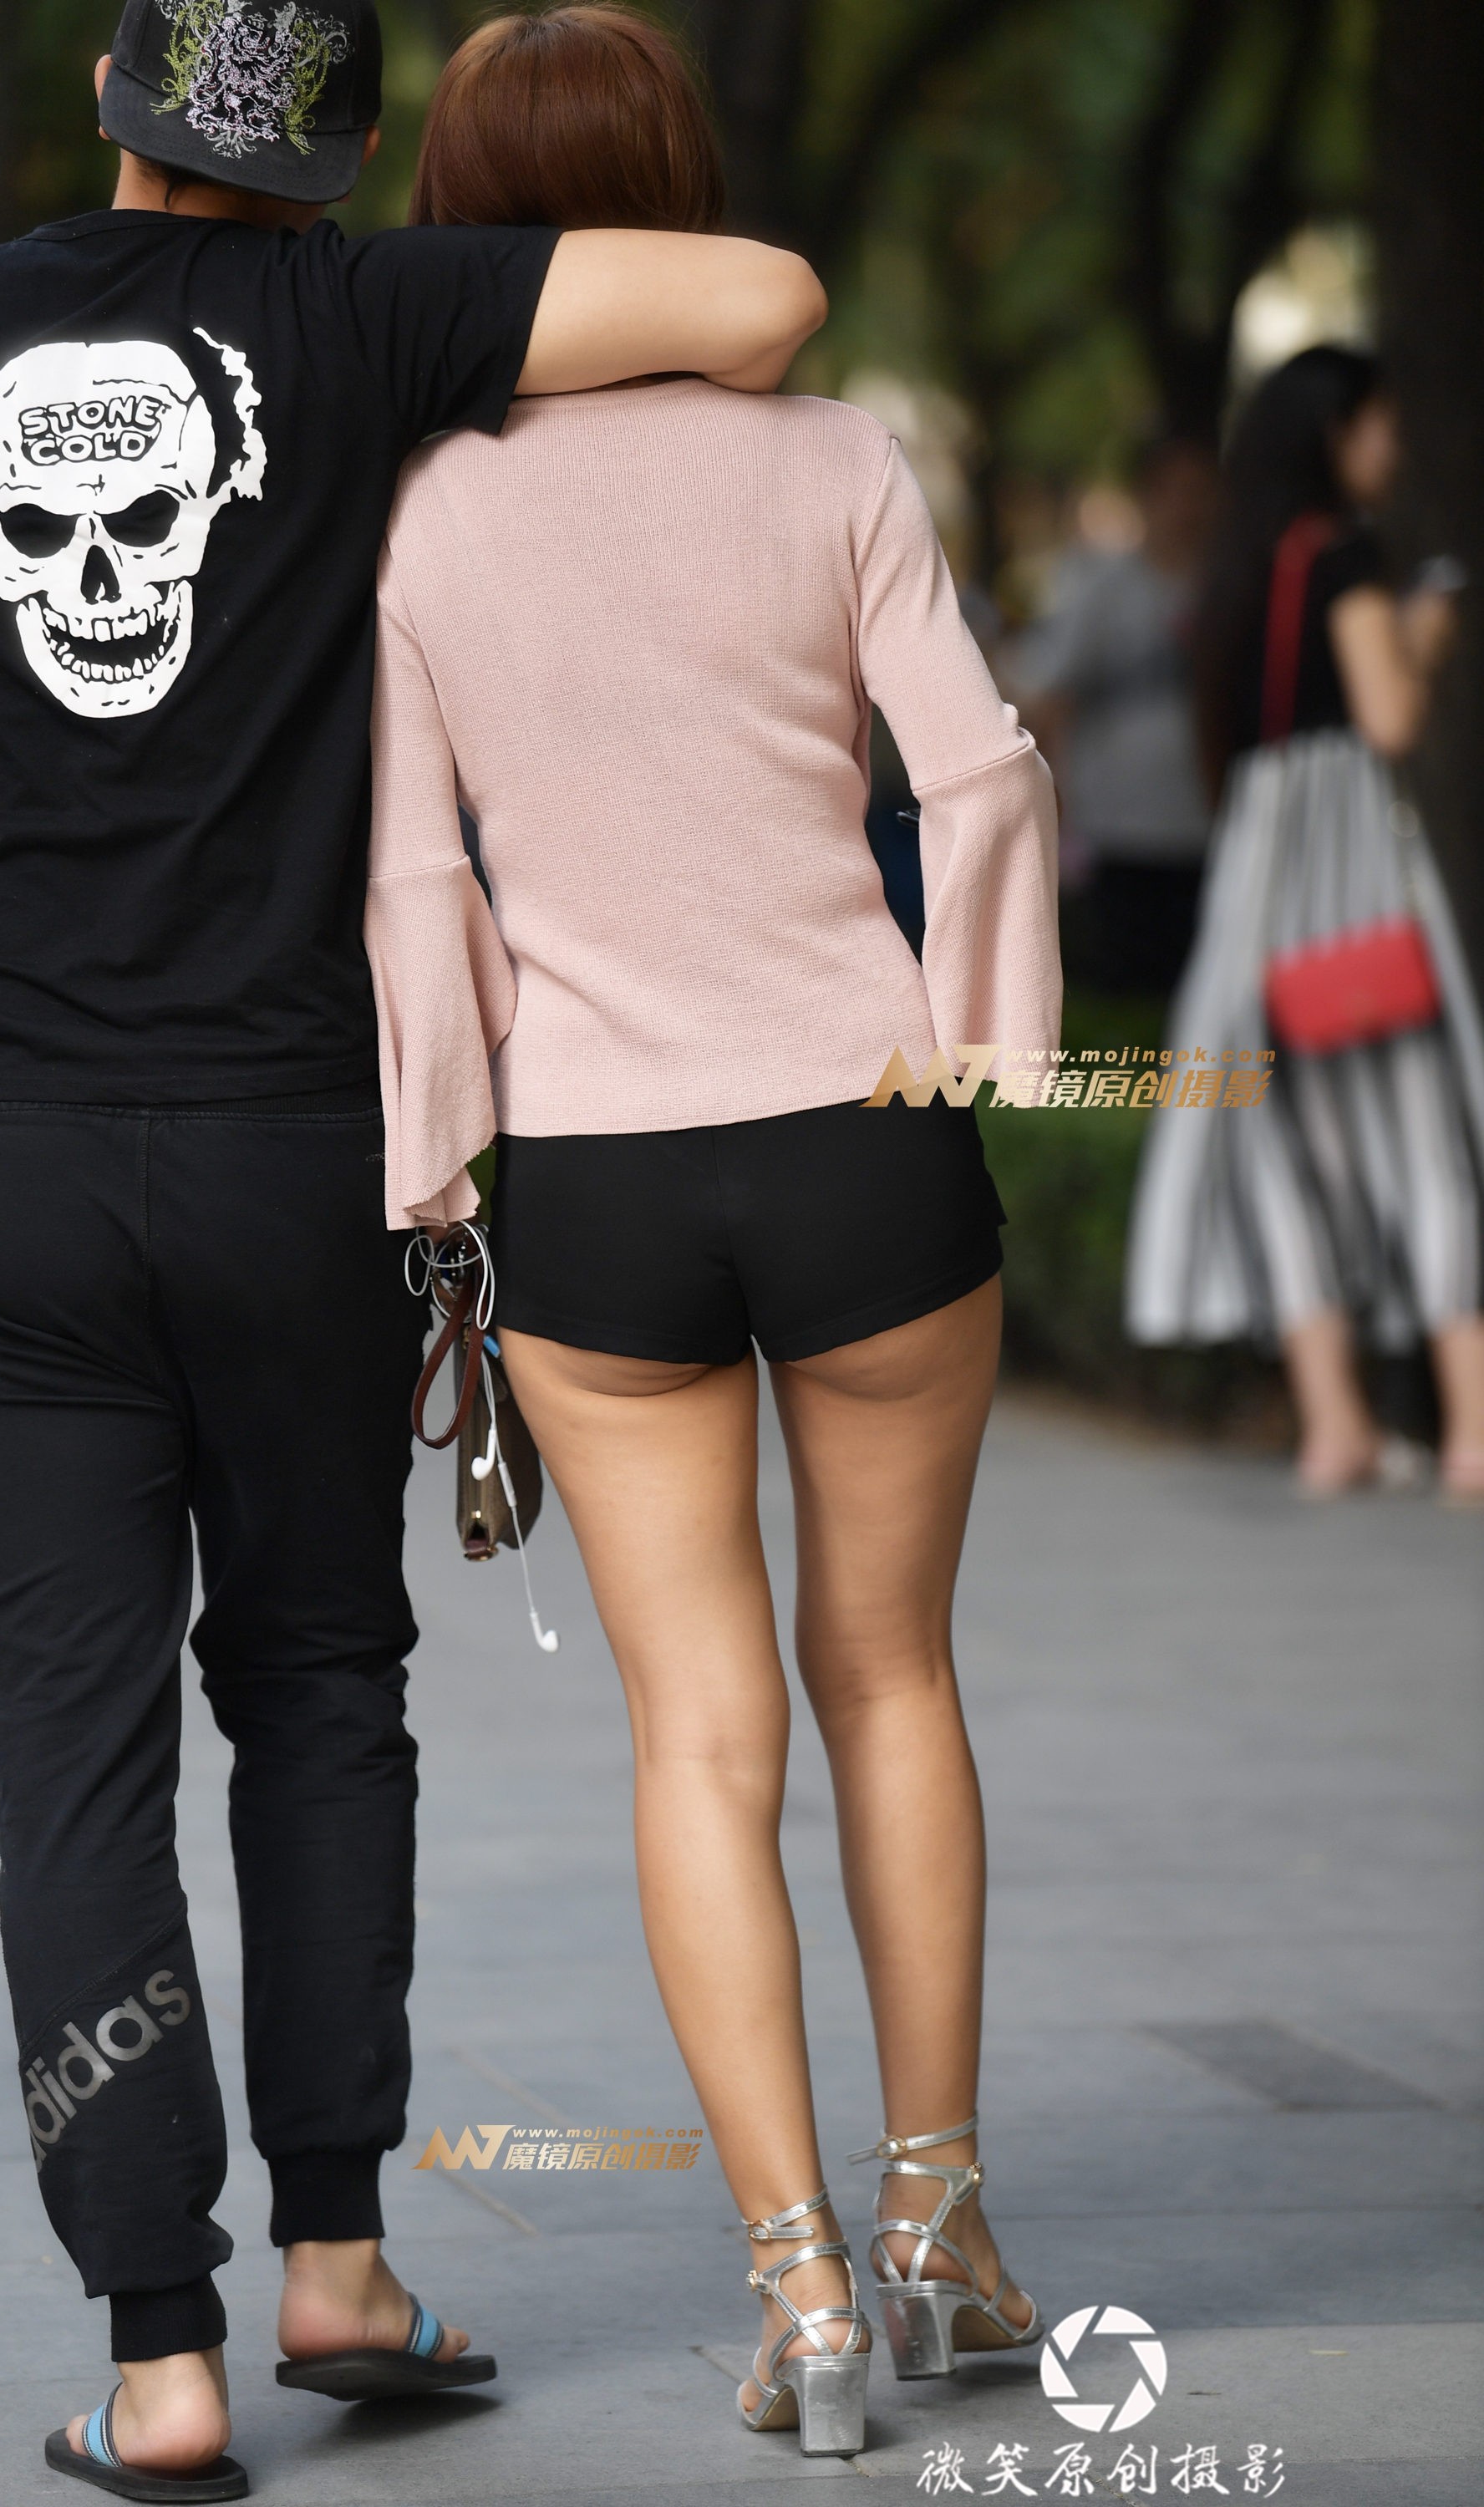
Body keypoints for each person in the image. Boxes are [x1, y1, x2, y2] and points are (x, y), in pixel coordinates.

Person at [0, 2, 827, 2493]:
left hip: (8, 1161)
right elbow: (766, 299)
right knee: (319, 1683)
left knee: (73, 1750)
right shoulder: (364, 315)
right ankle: (341, 2259)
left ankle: (159, 2356)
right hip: (299, 1151)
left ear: (107, 95)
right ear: (344, 157)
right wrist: (452, 293)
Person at [367, 7, 1060, 2458]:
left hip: (597, 1177)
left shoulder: (418, 512)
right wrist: (981, 1056)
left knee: (698, 1728)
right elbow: (976, 774)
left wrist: (435, 1164)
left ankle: (797, 2290)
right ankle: (938, 2225)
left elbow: (407, 882)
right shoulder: (834, 456)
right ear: (679, 186)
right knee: (894, 1679)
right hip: (869, 1134)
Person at [1125, 347, 1484, 1502]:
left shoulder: (1240, 572)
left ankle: (1335, 1430)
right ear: (1335, 433)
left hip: (1257, 908)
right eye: (1378, 424)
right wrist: (1424, 634)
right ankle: (1474, 1432)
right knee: (1426, 1147)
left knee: (1288, 1159)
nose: (1391, 446)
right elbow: (1387, 717)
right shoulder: (1342, 554)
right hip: (1353, 895)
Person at [1015, 436, 1218, 996]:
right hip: (1121, 831)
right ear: (1147, 496)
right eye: (1176, 492)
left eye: (1202, 492)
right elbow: (1049, 699)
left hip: (1211, 825)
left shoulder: (1227, 585)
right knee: (1126, 992)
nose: (1189, 507)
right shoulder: (1103, 589)